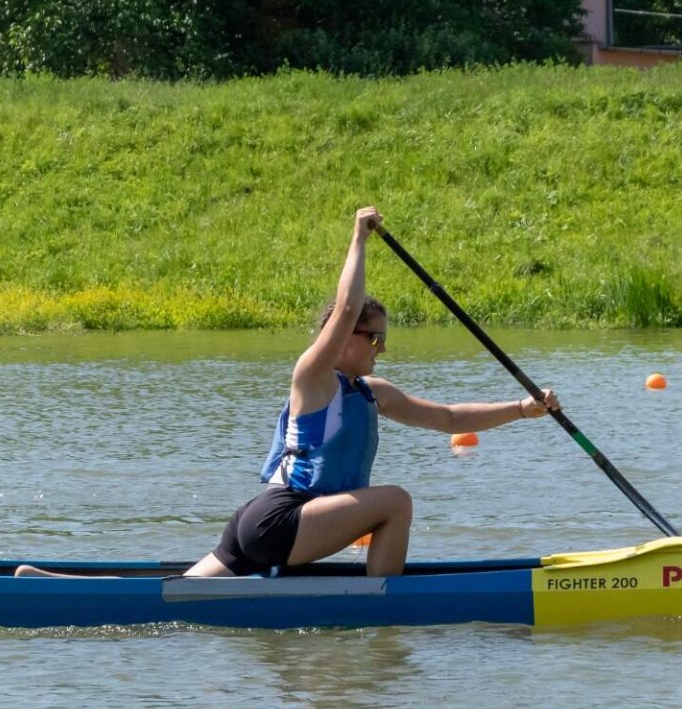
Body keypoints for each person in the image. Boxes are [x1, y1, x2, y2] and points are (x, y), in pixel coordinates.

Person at [183, 206, 557, 579]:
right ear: (344, 338)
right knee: (396, 502)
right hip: (280, 519)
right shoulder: (313, 378)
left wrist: (522, 409)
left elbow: (450, 418)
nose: (383, 349)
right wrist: (359, 238)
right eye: (375, 338)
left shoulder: (370, 393)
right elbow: (347, 308)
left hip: (271, 525)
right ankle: (383, 604)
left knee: (174, 598)